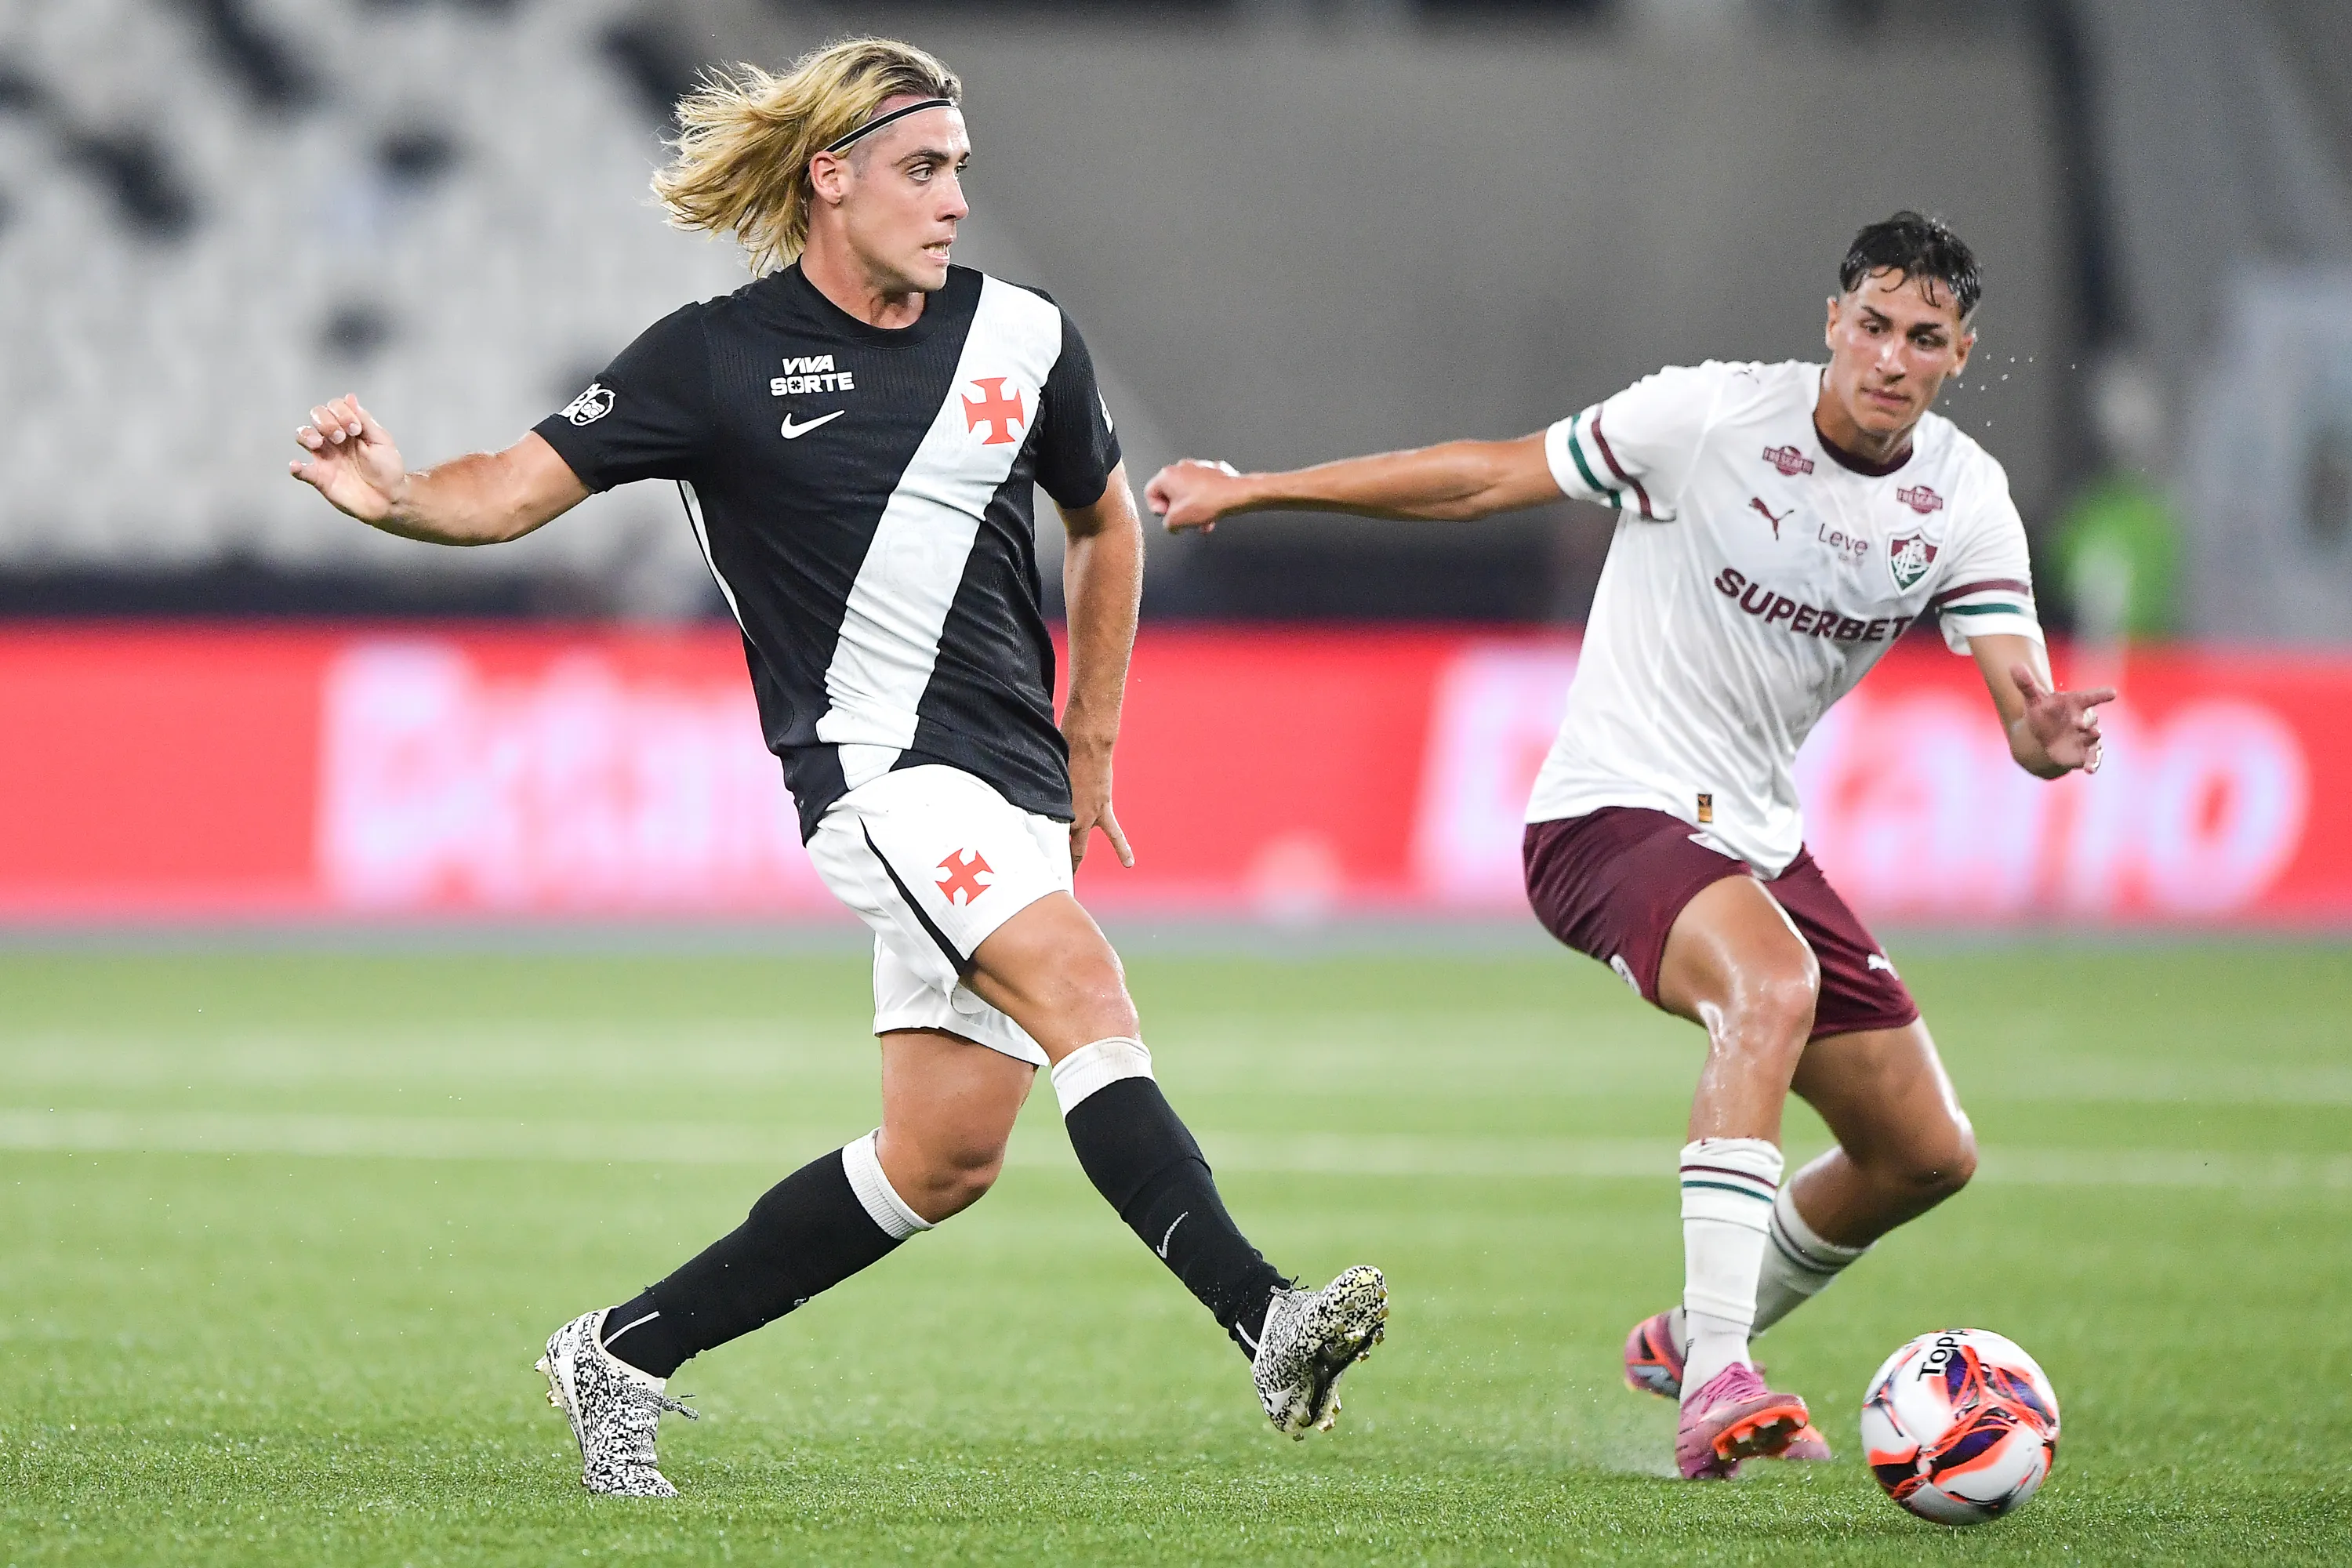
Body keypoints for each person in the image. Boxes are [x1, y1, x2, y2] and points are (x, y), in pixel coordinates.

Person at [289, 37, 1385, 1499]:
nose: (951, 203)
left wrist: (1093, 743)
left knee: (941, 1160)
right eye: (923, 171)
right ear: (832, 178)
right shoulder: (712, 360)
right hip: (877, 779)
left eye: (960, 174)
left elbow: (1105, 524)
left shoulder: (1026, 339)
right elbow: (501, 497)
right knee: (1086, 992)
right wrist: (397, 492)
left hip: (1010, 786)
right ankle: (1268, 1317)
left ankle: (617, 1354)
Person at [1146, 212, 2111, 1481]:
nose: (1889, 355)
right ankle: (1720, 1379)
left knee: (1925, 1152)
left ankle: (1692, 1337)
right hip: (1610, 811)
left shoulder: (1963, 501)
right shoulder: (1707, 421)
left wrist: (2042, 738)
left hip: (1758, 839)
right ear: (1832, 322)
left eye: (1921, 338)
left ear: (1959, 354)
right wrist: (1260, 489)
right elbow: (1486, 478)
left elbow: (2021, 704)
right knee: (1772, 985)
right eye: (1871, 324)